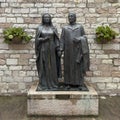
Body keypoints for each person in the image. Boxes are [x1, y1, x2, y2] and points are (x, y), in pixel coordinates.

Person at [60, 12, 90, 90]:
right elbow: (62, 39)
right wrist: (60, 49)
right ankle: (67, 83)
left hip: (77, 51)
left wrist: (79, 39)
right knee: (68, 67)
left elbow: (84, 37)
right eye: (69, 16)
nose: (70, 18)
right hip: (68, 51)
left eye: (72, 16)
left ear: (75, 18)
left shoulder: (80, 27)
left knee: (78, 67)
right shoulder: (65, 28)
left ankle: (79, 83)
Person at [35, 13, 61, 90]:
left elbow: (56, 39)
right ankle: (44, 84)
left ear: (50, 19)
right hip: (43, 49)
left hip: (52, 50)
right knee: (44, 66)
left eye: (48, 17)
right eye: (45, 17)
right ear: (43, 19)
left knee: (52, 66)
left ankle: (53, 84)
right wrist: (43, 39)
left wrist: (58, 49)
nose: (47, 19)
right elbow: (37, 40)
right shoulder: (39, 28)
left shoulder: (53, 28)